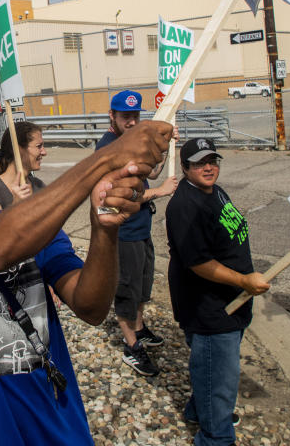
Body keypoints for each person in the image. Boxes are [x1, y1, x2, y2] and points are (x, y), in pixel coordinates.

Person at [0, 122, 174, 445]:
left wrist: (104, 228)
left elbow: (91, 307)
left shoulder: (36, 231)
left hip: (56, 422)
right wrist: (105, 159)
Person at [165, 138, 269, 446]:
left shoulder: (214, 190)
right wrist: (244, 281)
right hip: (208, 307)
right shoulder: (184, 206)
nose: (209, 167)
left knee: (213, 372)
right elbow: (199, 263)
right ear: (184, 168)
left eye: (212, 160)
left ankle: (201, 410)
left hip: (232, 301)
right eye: (199, 163)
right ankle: (216, 437)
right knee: (219, 378)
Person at [95, 90, 178, 376]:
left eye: (135, 116)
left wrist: (164, 147)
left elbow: (151, 173)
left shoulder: (132, 142)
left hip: (141, 226)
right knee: (127, 288)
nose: (132, 122)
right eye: (125, 117)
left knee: (143, 284)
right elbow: (118, 197)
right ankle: (132, 346)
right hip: (124, 232)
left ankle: (139, 328)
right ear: (112, 116)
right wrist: (160, 193)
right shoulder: (108, 149)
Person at [0, 121, 47, 210]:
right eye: (39, 146)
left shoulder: (39, 185)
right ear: (18, 149)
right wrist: (15, 206)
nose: (44, 152)